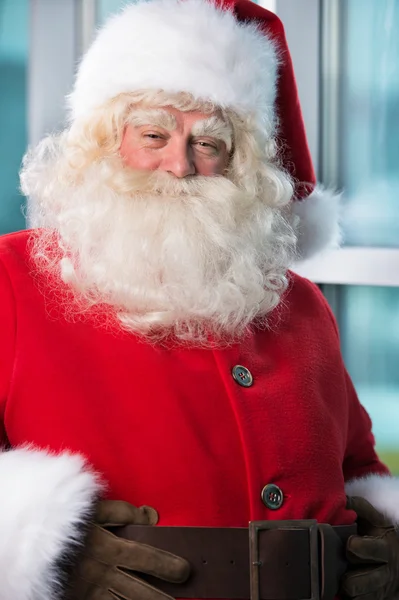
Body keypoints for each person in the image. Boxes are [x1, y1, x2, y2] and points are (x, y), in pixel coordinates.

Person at [0, 1, 398, 599]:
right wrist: (36, 553)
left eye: (208, 143)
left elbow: (359, 470)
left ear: (239, 165)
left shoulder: (301, 305)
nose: (181, 166)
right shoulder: (9, 277)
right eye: (154, 134)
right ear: (105, 143)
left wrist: (391, 543)